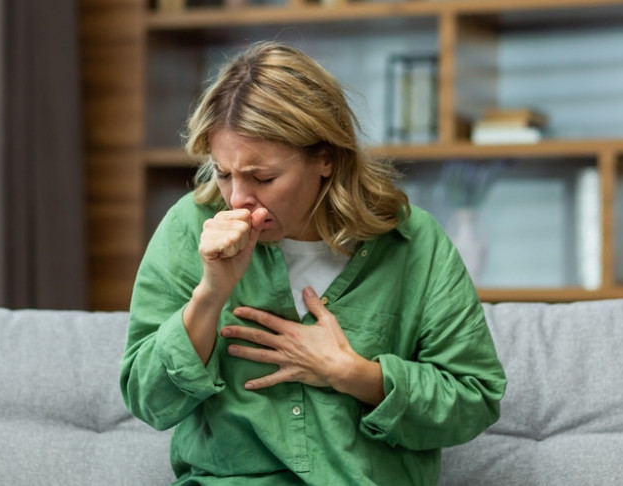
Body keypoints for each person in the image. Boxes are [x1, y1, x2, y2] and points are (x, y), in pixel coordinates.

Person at [120, 41, 506, 485]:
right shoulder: (189, 228)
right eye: (224, 174)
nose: (239, 199)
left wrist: (356, 375)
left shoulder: (414, 242)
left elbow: (474, 399)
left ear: (326, 158)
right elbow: (148, 401)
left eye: (263, 177)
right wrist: (210, 295)